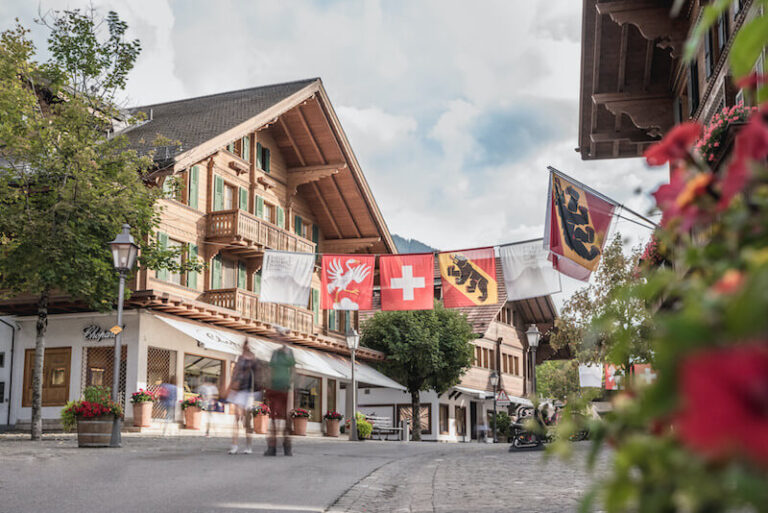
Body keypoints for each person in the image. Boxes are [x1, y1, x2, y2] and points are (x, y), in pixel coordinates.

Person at [227, 344, 260, 454]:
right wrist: (231, 386)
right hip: (239, 391)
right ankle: (234, 446)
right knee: (236, 418)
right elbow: (235, 372)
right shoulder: (240, 358)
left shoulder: (253, 359)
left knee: (247, 422)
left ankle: (248, 446)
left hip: (249, 392)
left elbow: (257, 373)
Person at [264, 345, 295, 456]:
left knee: (285, 419)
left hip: (284, 389)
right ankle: (274, 447)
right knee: (273, 419)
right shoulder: (276, 353)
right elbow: (270, 369)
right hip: (275, 388)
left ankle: (285, 446)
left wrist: (290, 385)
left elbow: (292, 370)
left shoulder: (289, 352)